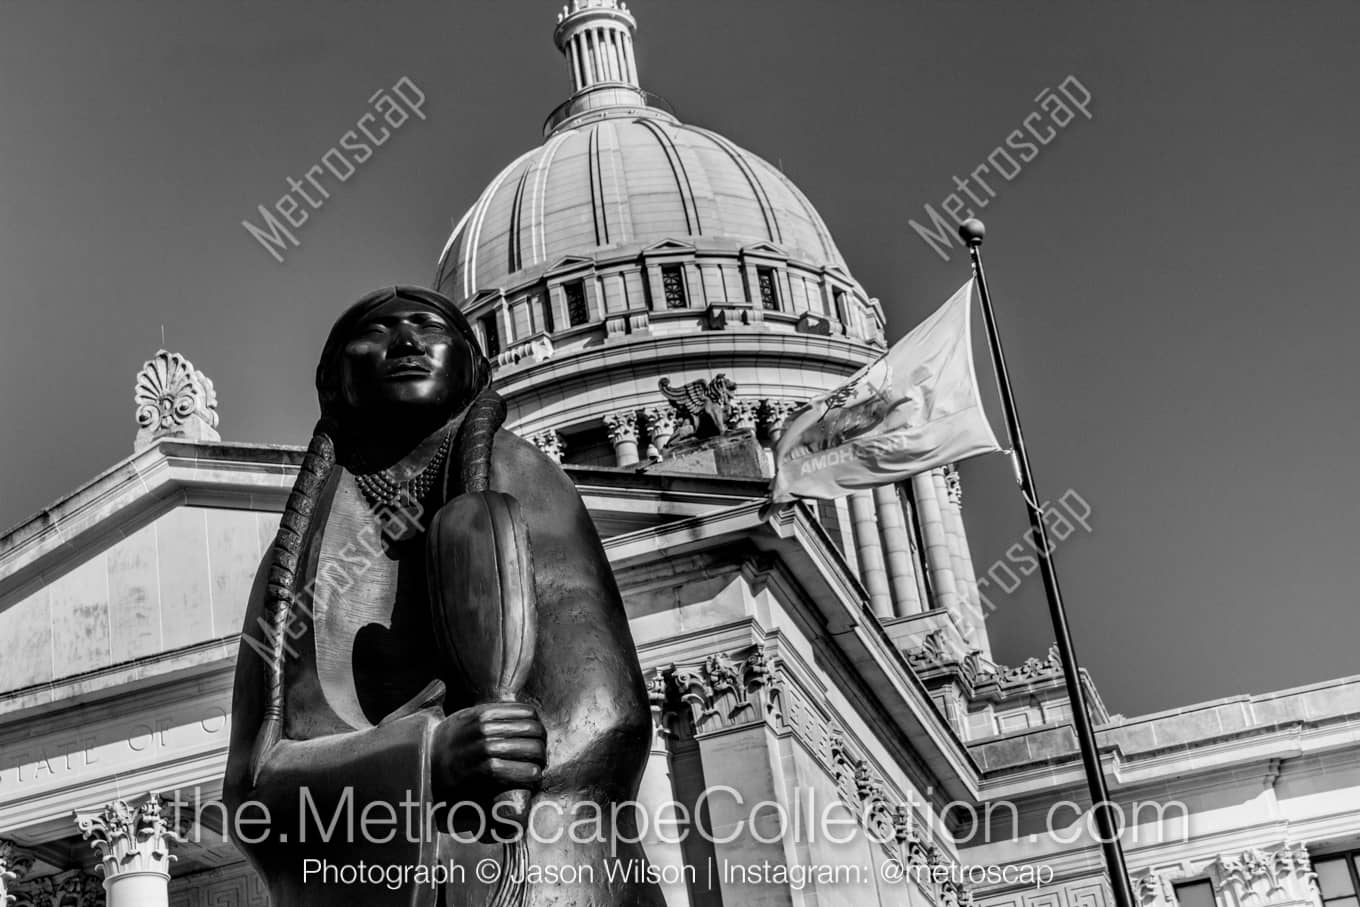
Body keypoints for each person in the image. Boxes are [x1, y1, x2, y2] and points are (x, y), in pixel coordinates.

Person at [223, 286, 664, 906]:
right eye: (374, 332)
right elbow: (251, 794)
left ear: (474, 368)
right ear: (330, 381)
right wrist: (427, 761)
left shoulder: (529, 482)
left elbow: (604, 714)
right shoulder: (288, 566)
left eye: (429, 326)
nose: (404, 341)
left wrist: (508, 754)